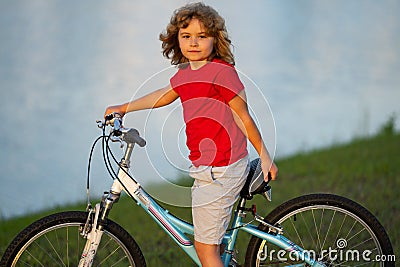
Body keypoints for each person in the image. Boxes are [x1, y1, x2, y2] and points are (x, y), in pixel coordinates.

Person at [104, 3, 278, 266]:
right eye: (186, 36)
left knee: (205, 251)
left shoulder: (222, 73)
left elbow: (243, 117)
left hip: (223, 169)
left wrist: (264, 156)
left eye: (201, 36)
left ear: (214, 39)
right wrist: (124, 108)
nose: (193, 43)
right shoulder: (185, 73)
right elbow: (164, 96)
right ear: (177, 40)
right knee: (212, 245)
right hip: (204, 169)